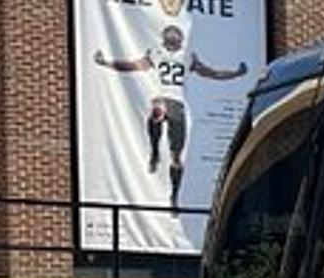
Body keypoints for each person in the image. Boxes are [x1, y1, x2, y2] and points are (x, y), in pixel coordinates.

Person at [93, 25, 248, 210]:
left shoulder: (171, 55)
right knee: (159, 116)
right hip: (168, 101)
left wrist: (106, 62)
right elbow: (213, 73)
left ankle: (170, 184)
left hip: (174, 103)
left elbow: (130, 66)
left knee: (175, 155)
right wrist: (236, 73)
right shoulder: (175, 56)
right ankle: (157, 155)